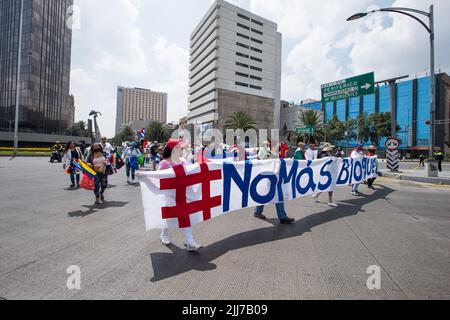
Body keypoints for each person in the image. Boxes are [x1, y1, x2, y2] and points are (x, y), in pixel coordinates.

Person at [158, 139, 202, 252]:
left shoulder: (182, 161)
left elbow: (191, 171)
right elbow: (157, 177)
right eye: (179, 148)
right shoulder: (164, 163)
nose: (181, 150)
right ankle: (164, 235)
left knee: (184, 216)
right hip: (169, 195)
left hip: (182, 194)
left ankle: (189, 241)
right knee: (168, 216)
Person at [254, 141, 295, 225]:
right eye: (276, 146)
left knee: (278, 195)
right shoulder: (263, 151)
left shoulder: (273, 152)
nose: (277, 147)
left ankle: (282, 216)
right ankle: (258, 212)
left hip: (274, 176)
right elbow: (263, 161)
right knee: (266, 195)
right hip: (266, 176)